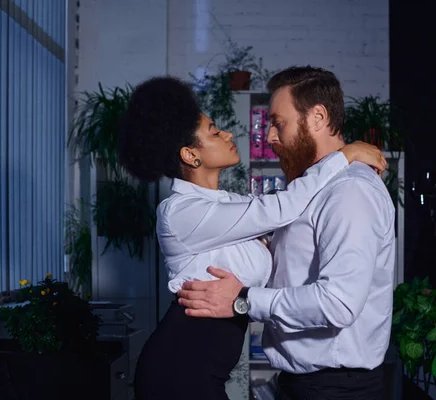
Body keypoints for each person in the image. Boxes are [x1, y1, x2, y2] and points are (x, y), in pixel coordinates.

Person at [117, 75, 387, 400]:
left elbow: (285, 232)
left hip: (213, 369)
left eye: (278, 122)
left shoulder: (231, 206)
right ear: (191, 155)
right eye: (215, 132)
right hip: (181, 364)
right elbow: (283, 207)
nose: (229, 134)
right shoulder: (178, 213)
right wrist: (345, 155)